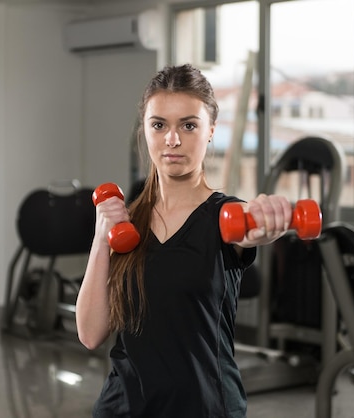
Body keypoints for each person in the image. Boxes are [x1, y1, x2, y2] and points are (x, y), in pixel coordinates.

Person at [76, 63, 293, 418]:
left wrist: (268, 222)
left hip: (204, 407)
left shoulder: (229, 218)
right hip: (123, 408)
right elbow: (90, 333)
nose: (171, 140)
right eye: (159, 125)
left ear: (210, 131)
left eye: (188, 125)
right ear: (144, 131)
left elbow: (253, 233)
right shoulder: (126, 220)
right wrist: (102, 239)